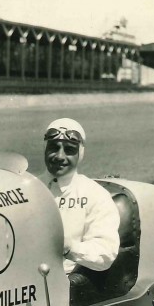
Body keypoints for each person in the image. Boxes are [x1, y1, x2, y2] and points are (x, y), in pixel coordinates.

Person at [40, 117, 120, 274]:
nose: (59, 156)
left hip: (66, 282)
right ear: (45, 149)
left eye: (69, 150)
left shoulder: (96, 195)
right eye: (54, 148)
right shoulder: (28, 188)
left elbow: (106, 253)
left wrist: (68, 247)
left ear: (80, 153)